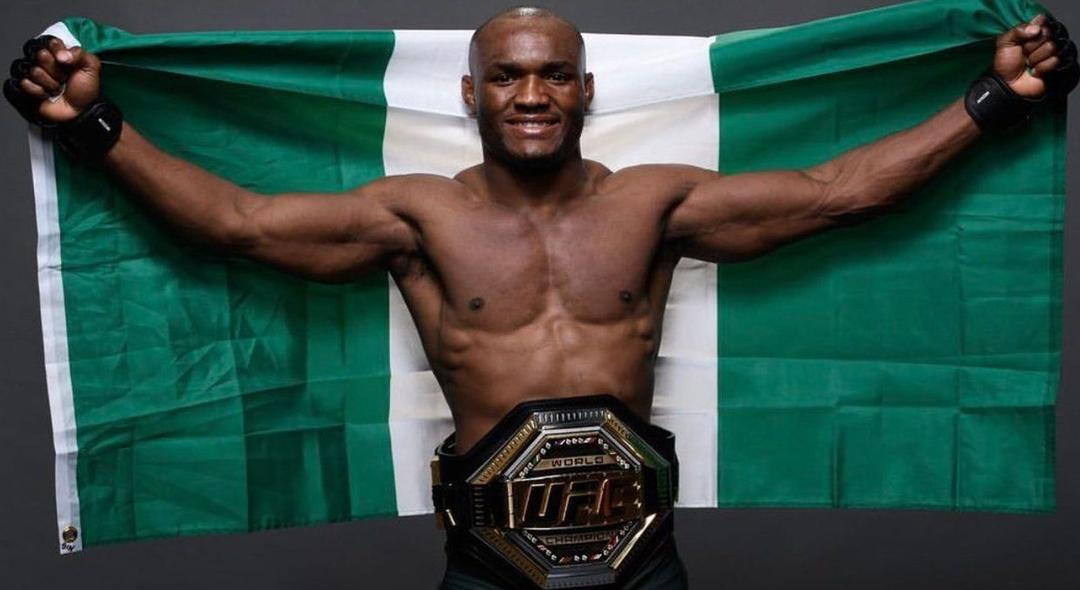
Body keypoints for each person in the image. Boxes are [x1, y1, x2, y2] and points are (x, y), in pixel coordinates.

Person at [5, 5, 1077, 589]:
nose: (532, 94)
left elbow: (838, 192)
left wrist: (996, 96)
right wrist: (90, 127)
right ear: (471, 91)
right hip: (487, 568)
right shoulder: (417, 215)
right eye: (509, 75)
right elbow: (237, 224)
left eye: (554, 74)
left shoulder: (653, 202)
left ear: (585, 90)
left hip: (643, 564)